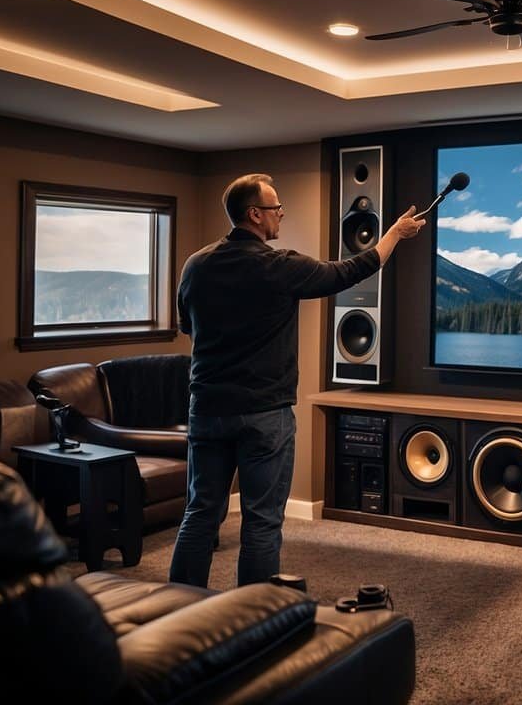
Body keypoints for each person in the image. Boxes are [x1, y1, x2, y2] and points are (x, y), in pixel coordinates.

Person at [169, 172, 424, 587]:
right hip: (265, 415)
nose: (281, 215)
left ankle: (176, 613)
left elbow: (187, 327)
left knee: (199, 514)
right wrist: (394, 233)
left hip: (208, 411)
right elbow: (350, 271)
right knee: (262, 523)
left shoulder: (195, 265)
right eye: (276, 208)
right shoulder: (278, 266)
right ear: (254, 214)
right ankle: (254, 621)